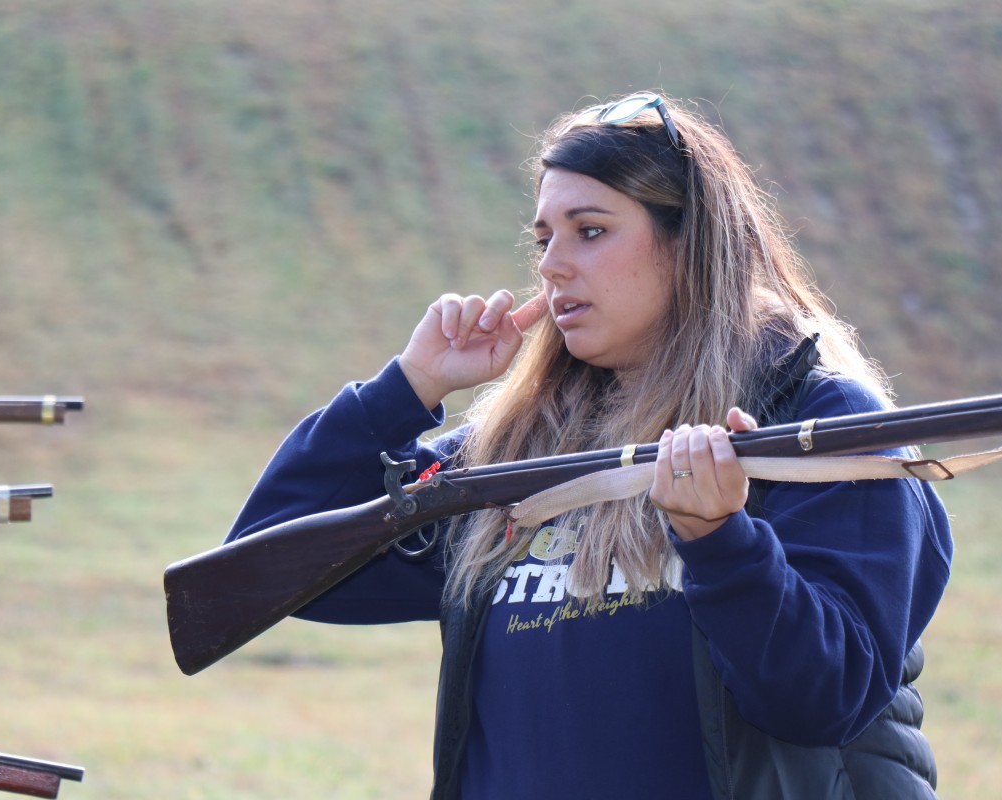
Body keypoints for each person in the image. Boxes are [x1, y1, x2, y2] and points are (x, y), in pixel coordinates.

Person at [225, 92, 953, 799]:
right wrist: (406, 388)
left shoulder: (821, 424)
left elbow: (824, 700)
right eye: (545, 239)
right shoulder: (516, 450)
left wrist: (720, 540)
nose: (551, 264)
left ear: (689, 243)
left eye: (591, 230)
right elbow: (261, 569)